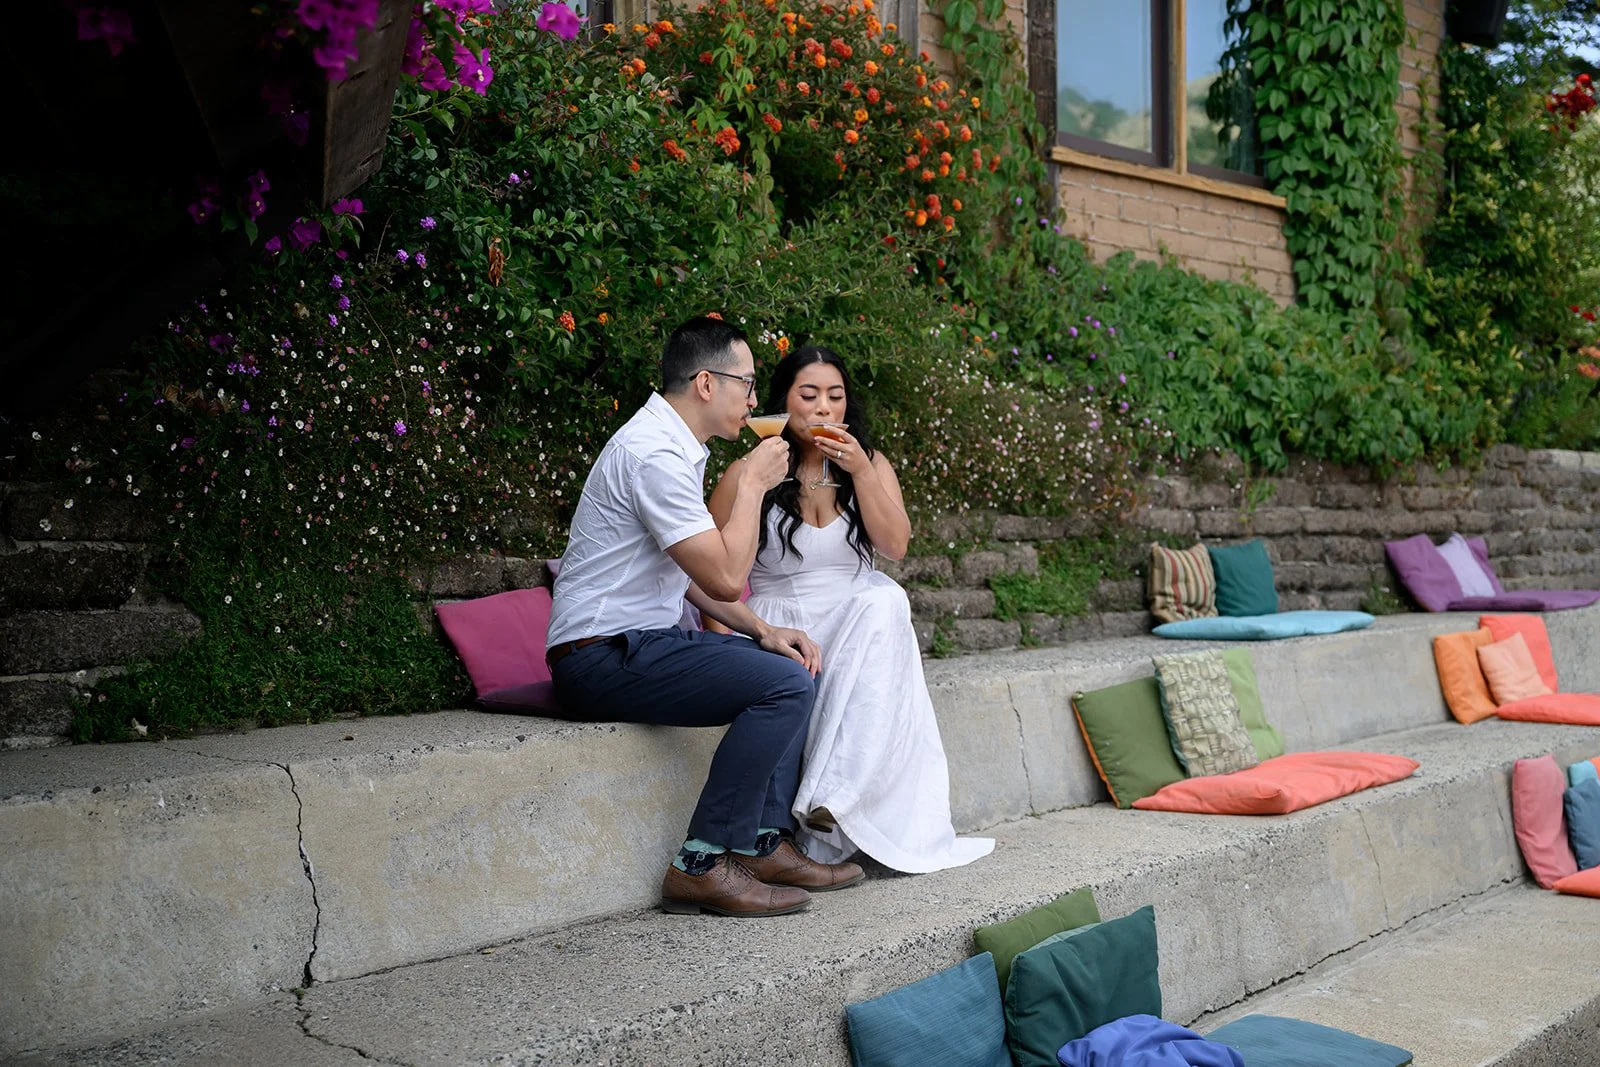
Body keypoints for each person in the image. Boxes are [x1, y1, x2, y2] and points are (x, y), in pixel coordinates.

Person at [546, 317, 866, 918]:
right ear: (704, 383)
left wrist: (762, 629)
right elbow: (722, 572)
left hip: (638, 644)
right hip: (601, 655)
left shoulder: (673, 445)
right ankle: (701, 863)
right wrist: (750, 487)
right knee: (784, 684)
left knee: (793, 660)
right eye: (746, 384)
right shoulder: (654, 456)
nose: (753, 399)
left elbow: (689, 577)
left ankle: (760, 842)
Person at [707, 344, 994, 873]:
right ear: (782, 404)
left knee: (885, 596)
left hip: (860, 624)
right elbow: (710, 574)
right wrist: (721, 651)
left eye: (835, 398)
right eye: (808, 396)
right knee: (882, 602)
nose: (823, 409)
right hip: (781, 622)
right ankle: (829, 806)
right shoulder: (748, 473)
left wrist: (861, 471)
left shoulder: (871, 462)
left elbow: (896, 546)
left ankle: (833, 799)